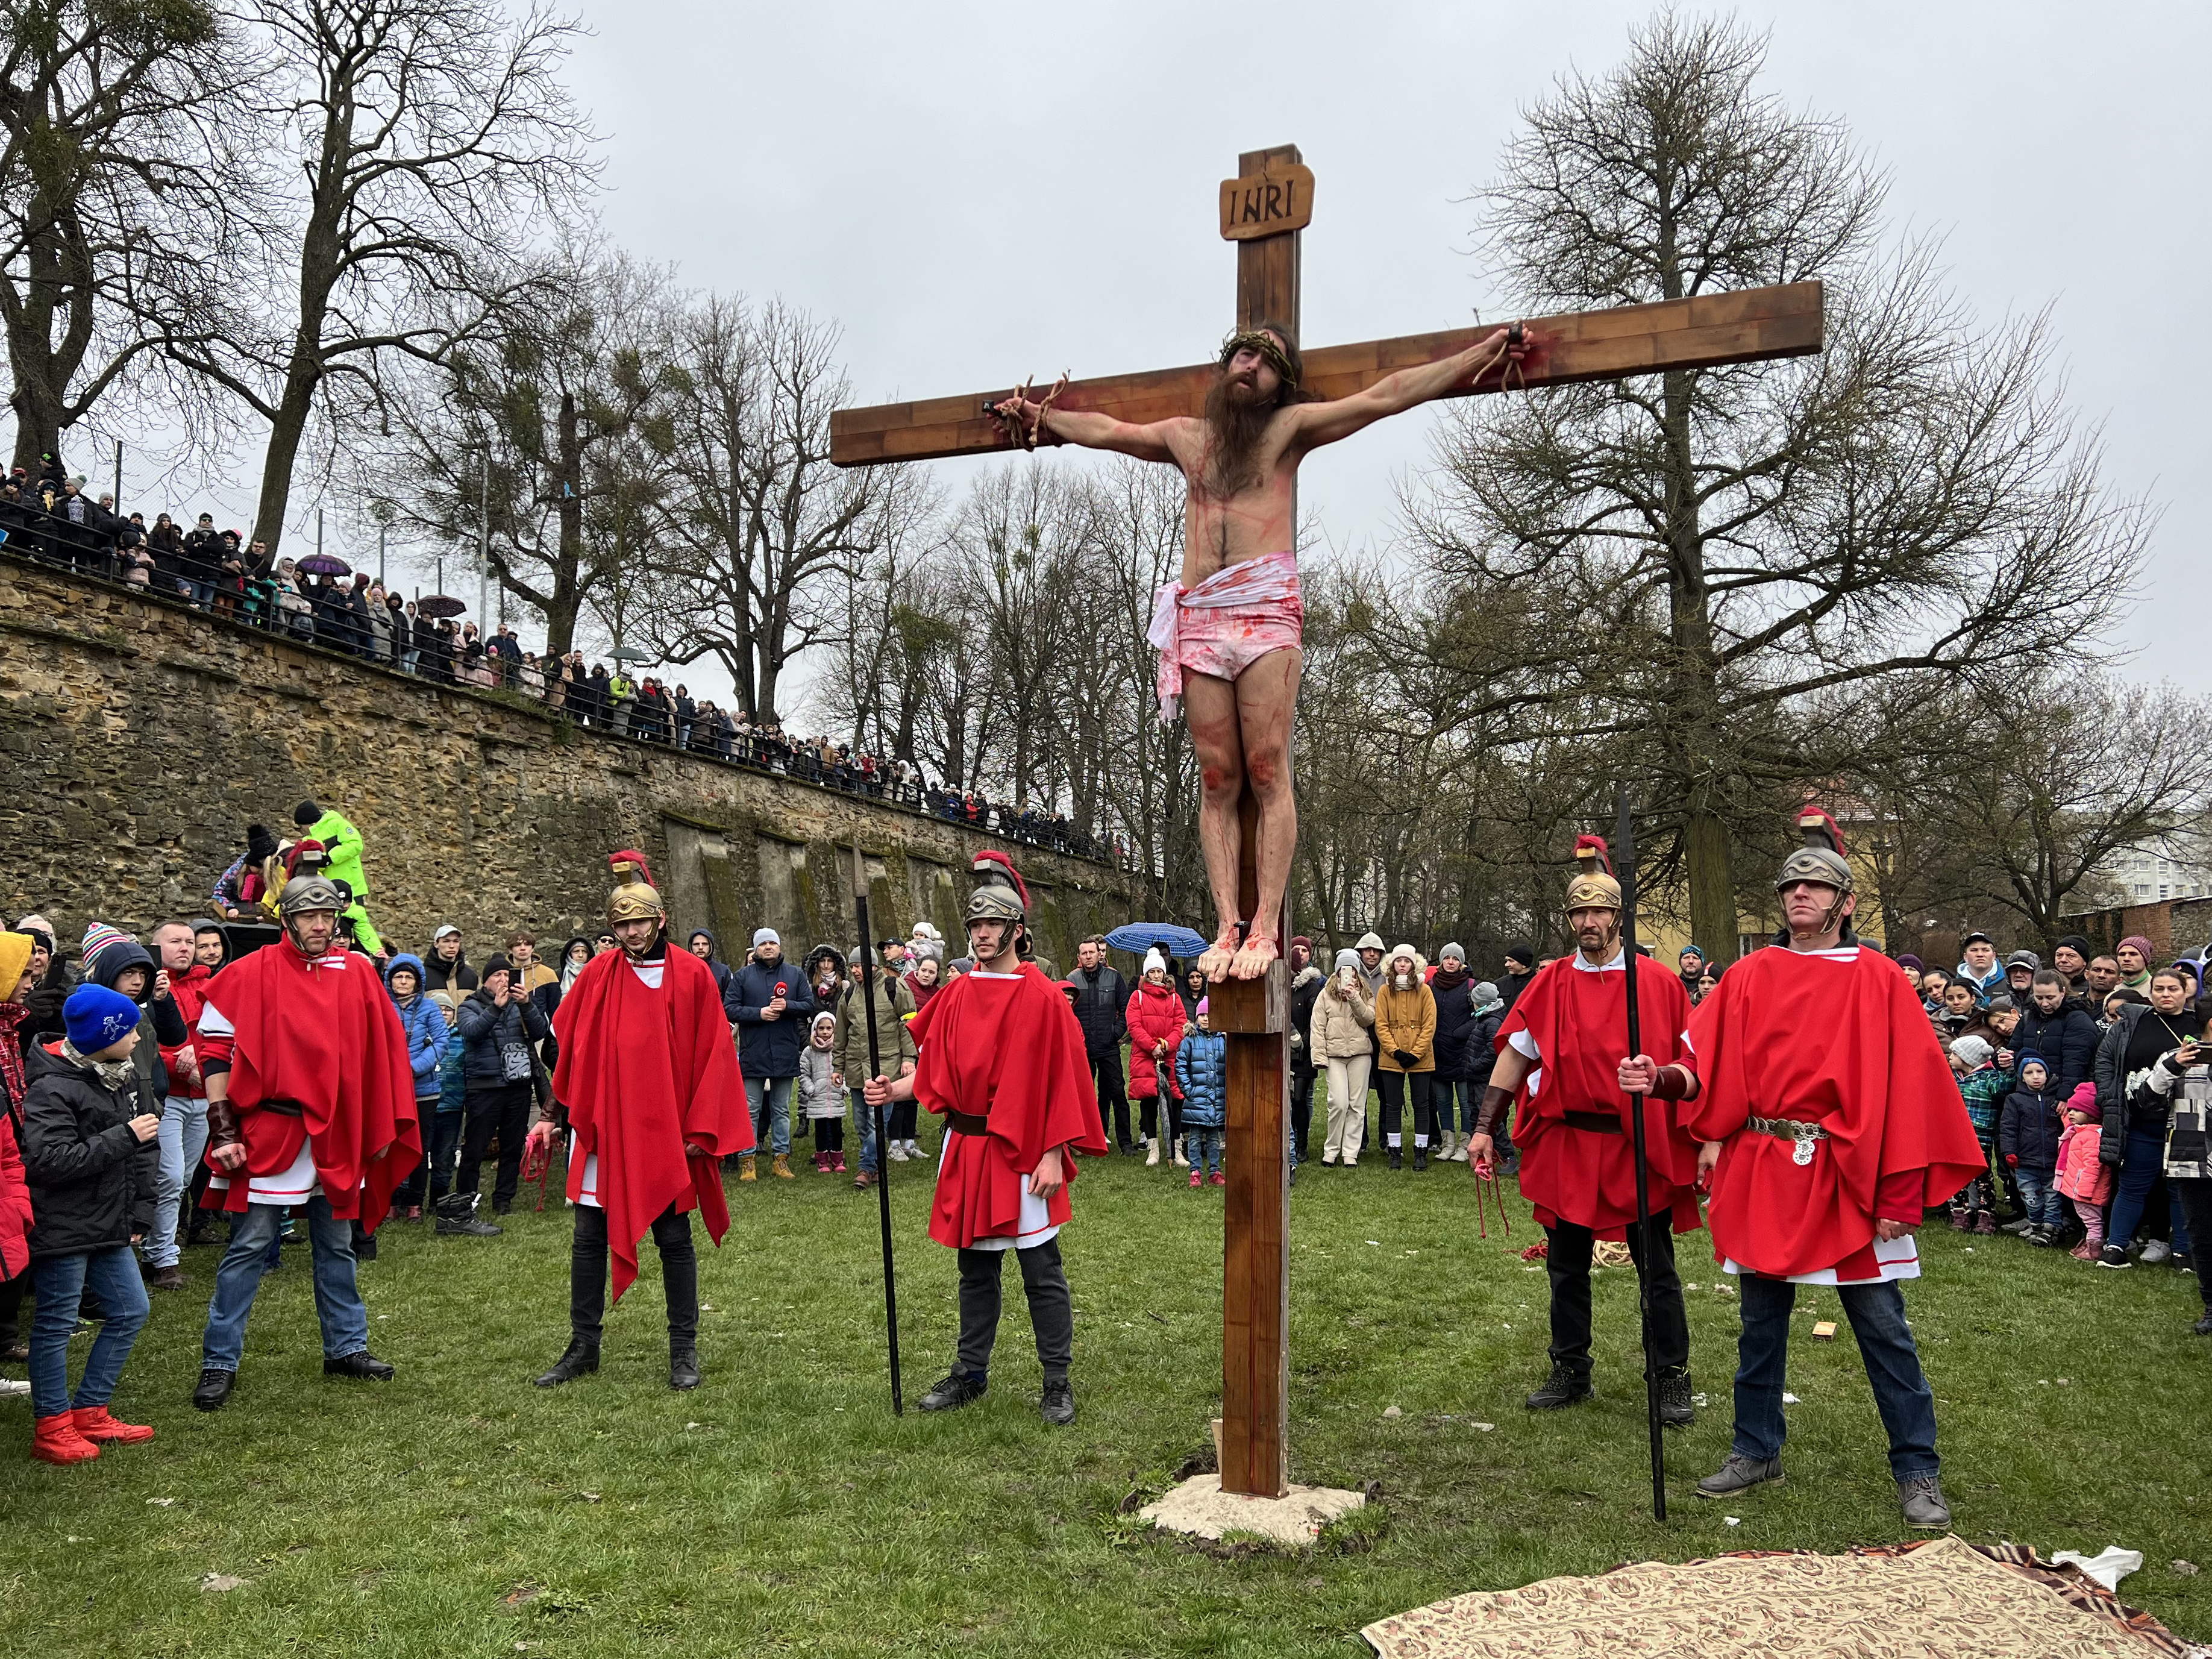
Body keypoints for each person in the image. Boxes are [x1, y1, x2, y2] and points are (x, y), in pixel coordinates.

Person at [992, 320, 1527, 983]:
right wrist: (1042, 418)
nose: (1250, 366)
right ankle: (1226, 923)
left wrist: (1480, 355)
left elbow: (1386, 394)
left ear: (1280, 382)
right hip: (1199, 614)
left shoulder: (1285, 432)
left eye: (1266, 362)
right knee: (1217, 777)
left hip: (1264, 606)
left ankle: (1266, 924)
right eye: (1242, 354)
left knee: (1266, 768)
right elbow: (1106, 431)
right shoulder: (1185, 438)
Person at [1652, 807, 1984, 1529]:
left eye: (1812, 885)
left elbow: (1910, 1092)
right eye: (1788, 887)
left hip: (1850, 1175)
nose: (1797, 895)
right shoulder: (1747, 975)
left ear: (1843, 902)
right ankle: (1754, 1447)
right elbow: (1703, 1067)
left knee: (1882, 1330)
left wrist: (1900, 1190)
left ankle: (1915, 1468)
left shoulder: (1880, 980)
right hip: (1766, 1166)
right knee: (1758, 1325)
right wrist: (1662, 1079)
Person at [862, 851, 1106, 1425]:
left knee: (1040, 1269)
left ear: (1016, 930)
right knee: (975, 1270)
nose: (981, 934)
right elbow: (934, 1070)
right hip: (968, 1147)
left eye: (992, 924)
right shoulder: (957, 992)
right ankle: (970, 1372)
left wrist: (1054, 1151)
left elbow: (1065, 1081)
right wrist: (893, 1092)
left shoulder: (1044, 996)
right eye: (974, 925)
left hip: (1024, 1151)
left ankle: (1056, 1380)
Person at [1469, 837, 1702, 1422]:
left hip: (1635, 1143)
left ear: (1617, 916)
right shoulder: (1549, 984)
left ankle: (1669, 1374)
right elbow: (1514, 1057)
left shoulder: (1657, 983)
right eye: (1579, 911)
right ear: (1569, 918)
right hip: (1568, 1142)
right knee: (1565, 1264)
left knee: (1657, 1266)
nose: (1588, 921)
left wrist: (1665, 1087)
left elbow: (1692, 1065)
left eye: (1599, 910)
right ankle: (1570, 1367)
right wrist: (1481, 1127)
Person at [190, 873, 421, 1411]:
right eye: (308, 917)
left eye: (328, 917)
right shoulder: (247, 973)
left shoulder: (359, 972)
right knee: (248, 1247)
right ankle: (219, 1361)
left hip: (339, 1131)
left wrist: (379, 1125)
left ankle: (346, 1346)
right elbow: (215, 1055)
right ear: (286, 920)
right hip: (270, 1129)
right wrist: (223, 1130)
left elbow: (383, 1053)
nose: (320, 926)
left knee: (337, 1245)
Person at [528, 852, 753, 1391]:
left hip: (666, 1132)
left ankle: (683, 1349)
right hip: (604, 1127)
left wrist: (702, 1130)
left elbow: (714, 1056)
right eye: (622, 924)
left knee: (673, 1237)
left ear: (660, 920)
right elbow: (570, 1048)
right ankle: (584, 1346)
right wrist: (553, 1114)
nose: (631, 932)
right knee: (588, 1236)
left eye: (640, 922)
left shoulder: (694, 975)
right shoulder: (599, 973)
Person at [19, 985, 161, 1463]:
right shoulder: (52, 1086)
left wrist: (137, 1211)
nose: (139, 1037)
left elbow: (137, 1157)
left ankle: (90, 1410)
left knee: (130, 1309)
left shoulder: (113, 1074)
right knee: (57, 1322)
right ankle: (52, 1425)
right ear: (106, 1035)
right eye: (131, 1030)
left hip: (105, 1221)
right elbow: (47, 1160)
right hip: (63, 1225)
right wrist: (123, 1136)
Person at [2093, 965, 2202, 1269]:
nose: (2165, 995)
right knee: (2131, 1186)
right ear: (2150, 992)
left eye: (2172, 989)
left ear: (2185, 992)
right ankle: (2115, 1247)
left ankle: (2183, 1250)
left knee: (2181, 1189)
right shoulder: (2131, 1023)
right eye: (2159, 989)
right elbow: (2104, 1059)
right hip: (2138, 1121)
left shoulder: (2199, 1024)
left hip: (2185, 1123)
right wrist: (2108, 1096)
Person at [446, 953, 550, 1231]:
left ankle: (504, 1200)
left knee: (512, 1147)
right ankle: (466, 1203)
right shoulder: (470, 1005)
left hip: (517, 1086)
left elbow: (540, 1032)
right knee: (475, 1149)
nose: (504, 981)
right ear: (487, 981)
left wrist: (527, 1005)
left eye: (508, 976)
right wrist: (495, 1008)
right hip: (484, 1087)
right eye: (498, 976)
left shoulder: (520, 1005)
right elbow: (471, 1032)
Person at [142, 920, 213, 1289]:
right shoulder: (146, 986)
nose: (185, 947)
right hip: (166, 1097)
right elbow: (144, 1044)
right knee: (168, 1177)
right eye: (176, 941)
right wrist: (176, 1065)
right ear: (157, 946)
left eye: (190, 941)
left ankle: (156, 1247)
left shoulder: (210, 986)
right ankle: (162, 1259)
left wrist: (204, 1069)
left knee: (183, 1178)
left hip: (202, 1098)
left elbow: (217, 1039)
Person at [731, 928, 815, 1182]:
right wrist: (759, 1014)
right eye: (763, 944)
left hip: (784, 1051)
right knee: (751, 1108)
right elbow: (729, 1008)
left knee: (781, 1109)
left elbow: (809, 1005)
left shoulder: (794, 974)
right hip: (753, 1053)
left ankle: (781, 1159)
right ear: (755, 949)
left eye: (772, 943)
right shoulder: (743, 976)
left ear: (779, 947)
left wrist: (788, 1006)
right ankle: (748, 1160)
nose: (768, 947)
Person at [833, 941, 917, 1190]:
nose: (855, 971)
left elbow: (909, 1024)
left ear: (874, 965)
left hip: (886, 1067)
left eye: (859, 966)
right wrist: (838, 1066)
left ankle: (865, 1168)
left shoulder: (895, 987)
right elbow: (841, 1034)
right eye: (852, 967)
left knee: (877, 1120)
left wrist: (909, 1059)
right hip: (857, 1068)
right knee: (861, 1122)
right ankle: (877, 1165)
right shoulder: (848, 995)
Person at [381, 955, 451, 1223]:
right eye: (399, 976)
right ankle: (390, 1200)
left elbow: (441, 1042)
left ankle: (414, 1203)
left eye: (409, 977)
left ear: (418, 982)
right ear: (390, 980)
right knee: (389, 1145)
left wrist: (412, 1069)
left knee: (419, 1148)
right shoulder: (381, 1005)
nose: (403, 981)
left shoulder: (430, 1008)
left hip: (423, 1090)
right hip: (388, 1090)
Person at [1373, 944, 1438, 1170]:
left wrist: (1415, 1053)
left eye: (1407, 961)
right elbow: (1381, 1025)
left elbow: (1429, 1025)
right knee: (1393, 1105)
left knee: (1422, 1104)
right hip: (1392, 1057)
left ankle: (1421, 1152)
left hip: (1421, 1057)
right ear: (1392, 964)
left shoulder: (1425, 990)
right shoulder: (1384, 991)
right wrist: (1396, 1052)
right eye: (1398, 961)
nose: (1402, 965)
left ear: (1413, 964)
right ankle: (1395, 1151)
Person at [1067, 936, 1132, 1154]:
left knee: (1117, 1093)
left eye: (1092, 953)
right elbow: (1065, 1013)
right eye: (1084, 953)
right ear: (1079, 957)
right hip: (1082, 1048)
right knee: (1080, 1096)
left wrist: (1115, 1033)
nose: (1088, 957)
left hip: (1108, 1046)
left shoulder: (1113, 978)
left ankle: (1125, 1142)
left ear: (1100, 954)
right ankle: (1083, 1141)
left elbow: (1125, 1009)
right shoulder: (1072, 980)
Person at [1310, 948, 1375, 1167]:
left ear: (1357, 973)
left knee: (1357, 1105)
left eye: (1352, 971)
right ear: (1337, 972)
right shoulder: (1325, 994)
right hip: (1334, 1056)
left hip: (1360, 1055)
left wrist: (1354, 997)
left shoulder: (1365, 993)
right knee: (1338, 1103)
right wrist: (1319, 1057)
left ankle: (1350, 1153)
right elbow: (1317, 1028)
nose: (1348, 975)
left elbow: (1368, 1020)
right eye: (1343, 970)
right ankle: (1331, 1150)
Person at [1125, 950, 1187, 1168]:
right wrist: (1152, 1047)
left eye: (1159, 971)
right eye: (1152, 971)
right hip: (1145, 1056)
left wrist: (1167, 1044)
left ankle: (1176, 1149)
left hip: (1170, 1056)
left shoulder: (1174, 997)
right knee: (1149, 1101)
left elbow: (1181, 1024)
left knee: (1176, 1102)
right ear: (1146, 974)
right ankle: (1153, 1149)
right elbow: (1134, 1025)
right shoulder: (1138, 996)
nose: (1156, 975)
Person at [1998, 1053, 2066, 1246]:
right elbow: (2008, 1128)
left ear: (2047, 1074)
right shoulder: (2014, 1100)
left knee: (2053, 1197)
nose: (2035, 1077)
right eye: (2029, 1073)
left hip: (2053, 1160)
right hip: (2025, 1160)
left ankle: (2052, 1228)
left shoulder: (2057, 1099)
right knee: (2031, 1197)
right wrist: (2009, 1152)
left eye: (2039, 1071)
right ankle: (2036, 1225)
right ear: (2021, 1077)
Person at [1946, 1035, 2007, 1234]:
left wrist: (2010, 1068)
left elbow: (2002, 1088)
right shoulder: (1953, 1077)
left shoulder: (1989, 1077)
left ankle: (1986, 1215)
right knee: (1957, 1175)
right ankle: (1960, 1213)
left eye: (1955, 1054)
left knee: (1983, 1176)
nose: (1950, 1057)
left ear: (1968, 1058)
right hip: (1956, 1135)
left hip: (1980, 1136)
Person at [1427, 944, 1478, 1162]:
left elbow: (1481, 1015)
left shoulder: (1471, 985)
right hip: (1437, 1053)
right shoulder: (1431, 986)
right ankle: (1448, 1144)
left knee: (1466, 1102)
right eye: (1446, 958)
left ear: (1461, 962)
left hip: (1463, 1053)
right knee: (1443, 1102)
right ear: (1441, 961)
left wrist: (1460, 1033)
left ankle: (1466, 1145)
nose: (1450, 962)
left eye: (1455, 959)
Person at [2054, 1084, 2112, 1261]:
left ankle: (2094, 1248)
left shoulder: (2092, 1136)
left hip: (2087, 1191)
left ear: (2091, 1114)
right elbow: (2069, 1120)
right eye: (2070, 1109)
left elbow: (2093, 1166)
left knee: (2092, 1219)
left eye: (2077, 1110)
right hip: (2080, 1189)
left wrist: (2084, 1190)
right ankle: (2090, 1244)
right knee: (2087, 1218)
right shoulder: (2080, 1131)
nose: (2071, 1113)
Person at [1175, 997, 1227, 1186]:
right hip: (1196, 1098)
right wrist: (1189, 1090)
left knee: (1214, 1138)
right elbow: (1180, 1066)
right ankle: (1195, 1171)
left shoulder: (1223, 1040)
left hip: (1217, 1099)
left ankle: (1215, 1171)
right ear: (1197, 1017)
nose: (1206, 1019)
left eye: (1210, 1015)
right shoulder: (1189, 1041)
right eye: (1203, 1015)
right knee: (1195, 1137)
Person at [1286, 936, 1323, 1161]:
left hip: (1303, 1053)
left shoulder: (1310, 987)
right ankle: (1287, 1139)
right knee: (1286, 1100)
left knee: (1299, 1098)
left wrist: (1301, 1043)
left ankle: (1302, 1143)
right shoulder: (1278, 985)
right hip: (1280, 1053)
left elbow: (1315, 1020)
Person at [800, 1011, 844, 1173]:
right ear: (815, 1030)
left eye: (829, 1028)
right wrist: (811, 1090)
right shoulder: (809, 1052)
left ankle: (838, 1159)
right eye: (822, 1028)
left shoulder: (839, 1049)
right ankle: (822, 1160)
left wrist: (843, 1088)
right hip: (817, 1098)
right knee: (821, 1129)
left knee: (837, 1129)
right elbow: (804, 1074)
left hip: (835, 1096)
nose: (825, 1032)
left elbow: (846, 1069)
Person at [1954, 932, 2004, 1006]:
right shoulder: (1954, 985)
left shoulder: (2009, 982)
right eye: (1974, 950)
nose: (1980, 955)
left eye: (1985, 950)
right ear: (1965, 957)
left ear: (1994, 956)